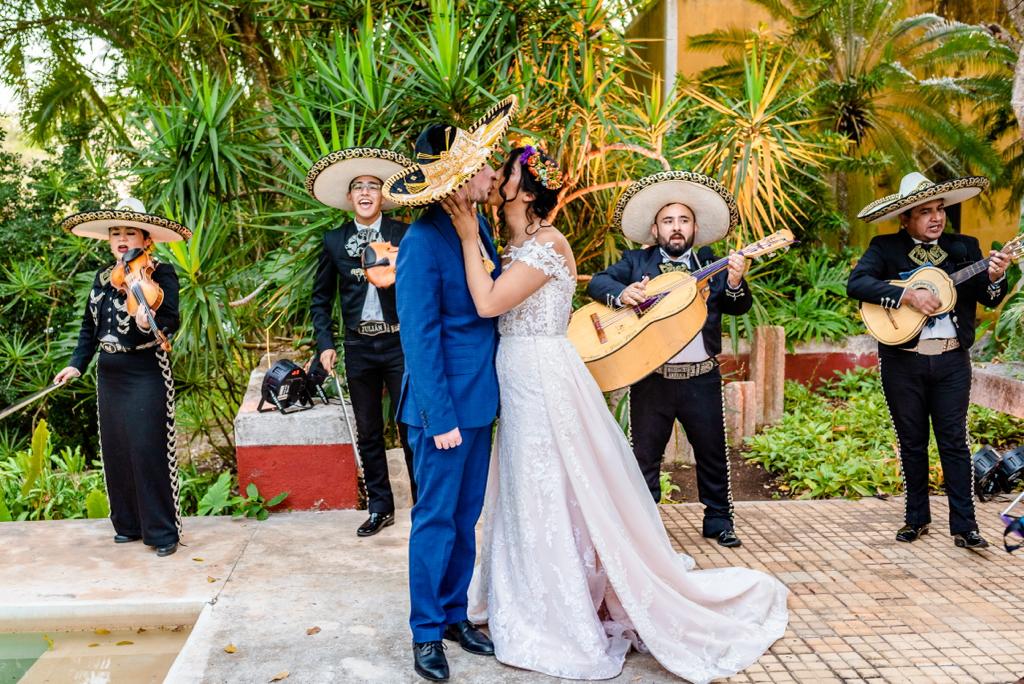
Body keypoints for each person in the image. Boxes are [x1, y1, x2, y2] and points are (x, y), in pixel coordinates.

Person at [446, 144, 788, 682]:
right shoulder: (509, 244)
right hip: (515, 375)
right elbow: (587, 289)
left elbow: (489, 303)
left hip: (542, 375)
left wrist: (468, 238)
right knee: (527, 484)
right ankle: (526, 588)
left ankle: (564, 601)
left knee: (551, 482)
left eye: (503, 173)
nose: (492, 180)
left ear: (525, 192)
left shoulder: (547, 243)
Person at [382, 95, 518, 682]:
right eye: (484, 167)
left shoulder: (476, 227)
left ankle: (456, 614)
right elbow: (419, 339)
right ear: (459, 180)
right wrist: (440, 419)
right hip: (441, 412)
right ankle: (425, 632)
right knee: (435, 520)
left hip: (479, 400)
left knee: (466, 518)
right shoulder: (420, 242)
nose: (492, 175)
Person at [848, 171, 1012, 549]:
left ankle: (965, 527)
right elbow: (856, 284)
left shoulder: (964, 247)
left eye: (940, 209)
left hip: (952, 360)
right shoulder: (885, 248)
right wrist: (907, 296)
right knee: (912, 442)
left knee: (954, 442)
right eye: (925, 211)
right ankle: (916, 518)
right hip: (902, 360)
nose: (937, 217)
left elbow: (988, 297)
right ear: (905, 218)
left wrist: (995, 276)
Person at [587, 171, 752, 548]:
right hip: (652, 377)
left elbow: (738, 307)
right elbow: (598, 283)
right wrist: (623, 294)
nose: (676, 227)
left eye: (683, 220)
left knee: (712, 452)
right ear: (655, 229)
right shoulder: (635, 262)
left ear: (695, 228)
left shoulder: (713, 263)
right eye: (668, 221)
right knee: (644, 457)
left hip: (701, 377)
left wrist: (734, 282)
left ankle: (718, 520)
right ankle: (644, 528)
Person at [53, 198, 190, 557]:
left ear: (146, 239)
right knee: (116, 450)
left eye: (130, 232)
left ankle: (162, 532)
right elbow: (89, 328)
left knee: (148, 449)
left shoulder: (160, 274)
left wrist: (148, 322)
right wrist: (77, 364)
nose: (122, 239)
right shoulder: (102, 278)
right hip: (109, 372)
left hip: (145, 369)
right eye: (116, 233)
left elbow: (171, 319)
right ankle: (128, 525)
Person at [307, 147, 419, 536]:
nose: (366, 192)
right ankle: (380, 508)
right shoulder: (334, 241)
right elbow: (320, 298)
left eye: (373, 186)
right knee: (369, 430)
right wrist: (325, 343)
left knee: (410, 426)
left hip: (399, 343)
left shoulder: (405, 234)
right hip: (358, 346)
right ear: (350, 197)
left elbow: (422, 288)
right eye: (359, 187)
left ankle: (424, 506)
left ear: (383, 196)